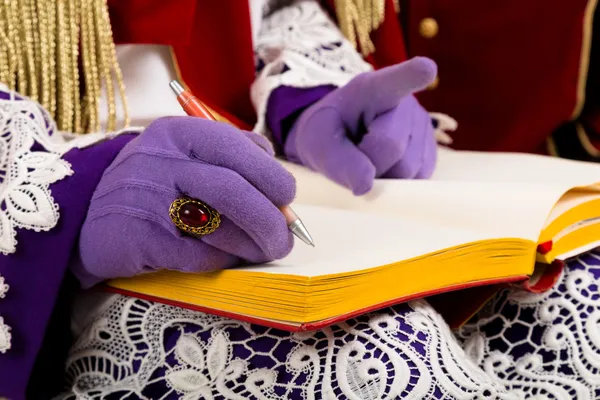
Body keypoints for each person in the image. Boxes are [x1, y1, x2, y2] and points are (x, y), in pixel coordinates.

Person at [0, 1, 599, 400]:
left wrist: (310, 92)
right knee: (377, 359)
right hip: (67, 203)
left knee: (578, 296)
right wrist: (64, 194)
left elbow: (276, 10)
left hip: (251, 150)